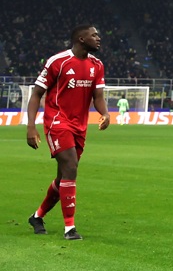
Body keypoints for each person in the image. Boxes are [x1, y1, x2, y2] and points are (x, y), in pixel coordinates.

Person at [26, 25, 111, 240]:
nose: (99, 38)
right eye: (94, 35)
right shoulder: (58, 62)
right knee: (71, 166)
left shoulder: (97, 65)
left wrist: (105, 114)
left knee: (63, 176)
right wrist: (31, 126)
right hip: (57, 122)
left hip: (79, 126)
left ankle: (37, 216)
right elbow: (37, 94)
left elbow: (98, 96)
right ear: (81, 39)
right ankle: (69, 228)